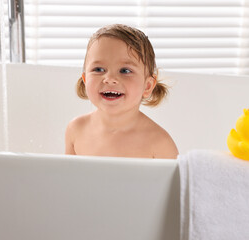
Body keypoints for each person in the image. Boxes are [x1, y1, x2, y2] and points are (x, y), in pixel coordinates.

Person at [65, 24, 178, 159]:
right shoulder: (76, 130)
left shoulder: (159, 143)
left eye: (125, 71)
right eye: (99, 69)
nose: (110, 79)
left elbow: (175, 180)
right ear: (85, 79)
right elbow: (67, 178)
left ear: (147, 86)